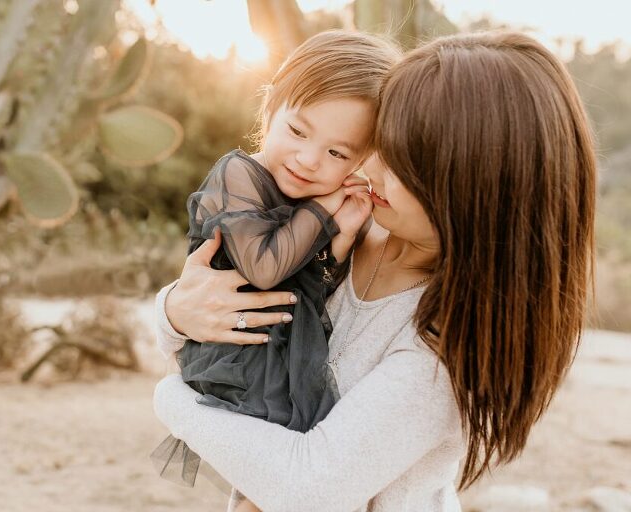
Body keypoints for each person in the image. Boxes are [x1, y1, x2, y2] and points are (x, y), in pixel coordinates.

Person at [153, 31, 596, 512]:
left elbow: (308, 486)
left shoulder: (445, 342)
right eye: (383, 143)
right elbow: (209, 320)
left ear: (471, 193)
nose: (374, 169)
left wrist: (170, 400)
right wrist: (175, 311)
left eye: (405, 162)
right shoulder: (357, 223)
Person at [150, 31, 400, 512]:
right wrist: (325, 212)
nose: (309, 160)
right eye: (299, 132)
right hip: (237, 362)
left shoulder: (314, 206)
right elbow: (265, 270)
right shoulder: (239, 175)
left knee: (285, 482)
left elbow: (309, 293)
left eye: (338, 153)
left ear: (364, 159)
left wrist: (342, 241)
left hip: (285, 364)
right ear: (270, 108)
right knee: (268, 485)